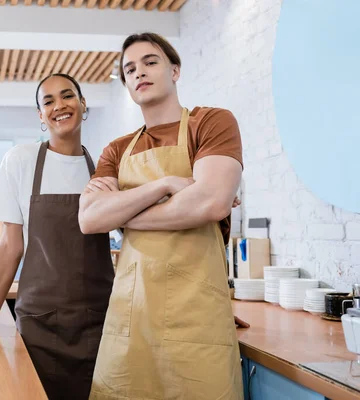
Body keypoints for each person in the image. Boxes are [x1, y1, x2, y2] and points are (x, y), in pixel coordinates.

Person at [79, 33, 245, 399]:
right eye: (130, 69)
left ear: (175, 70)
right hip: (131, 317)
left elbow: (211, 203)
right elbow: (90, 219)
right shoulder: (117, 149)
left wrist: (123, 213)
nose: (140, 72)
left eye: (150, 62)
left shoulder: (212, 123)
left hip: (197, 320)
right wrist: (164, 185)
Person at [0, 73, 115, 400]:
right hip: (39, 326)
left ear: (83, 104)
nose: (59, 105)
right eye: (48, 101)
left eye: (68, 95)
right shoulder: (21, 161)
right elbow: (10, 247)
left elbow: (141, 241)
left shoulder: (104, 168)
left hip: (100, 322)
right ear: (40, 116)